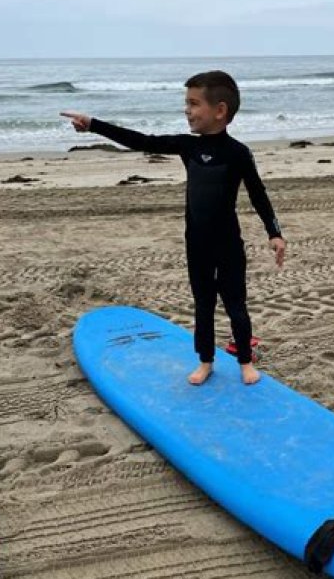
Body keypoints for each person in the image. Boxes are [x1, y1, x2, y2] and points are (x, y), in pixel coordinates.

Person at [61, 70, 286, 386]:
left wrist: (274, 233)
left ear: (219, 111)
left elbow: (258, 193)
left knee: (236, 304)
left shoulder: (238, 153)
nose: (187, 110)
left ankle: (245, 361)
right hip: (196, 243)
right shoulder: (187, 146)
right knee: (203, 303)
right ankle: (206, 361)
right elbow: (141, 141)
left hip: (228, 243)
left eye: (194, 104)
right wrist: (94, 125)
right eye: (186, 103)